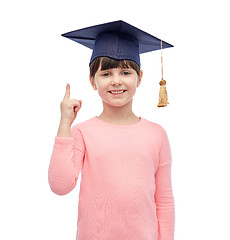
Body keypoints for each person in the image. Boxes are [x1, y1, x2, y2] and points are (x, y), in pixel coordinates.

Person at [48, 20, 175, 240]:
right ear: (92, 80)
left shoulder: (157, 134)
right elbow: (60, 186)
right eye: (106, 74)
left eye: (126, 72)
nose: (116, 81)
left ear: (140, 77)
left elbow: (164, 201)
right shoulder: (81, 133)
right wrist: (64, 125)